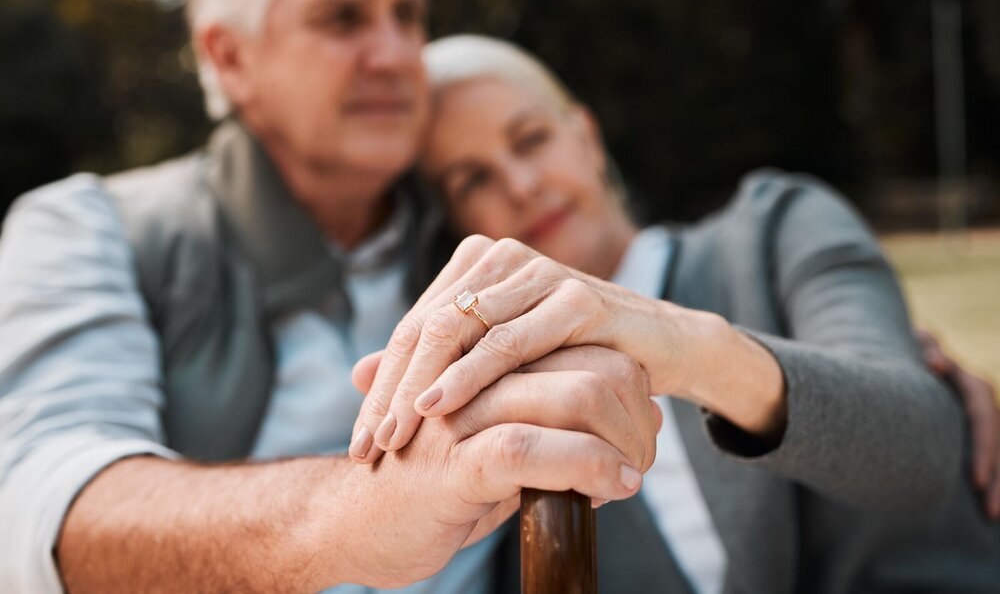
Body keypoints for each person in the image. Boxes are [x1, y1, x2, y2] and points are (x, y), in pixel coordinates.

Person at [0, 0, 660, 593]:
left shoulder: (478, 217)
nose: (394, 54)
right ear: (229, 57)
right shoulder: (86, 226)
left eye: (406, 14)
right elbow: (45, 509)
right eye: (343, 19)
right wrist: (356, 518)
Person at [353, 34, 1000, 593]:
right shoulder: (502, 416)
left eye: (532, 138)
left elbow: (923, 448)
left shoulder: (774, 228)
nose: (521, 184)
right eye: (472, 180)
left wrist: (691, 346)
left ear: (587, 136)